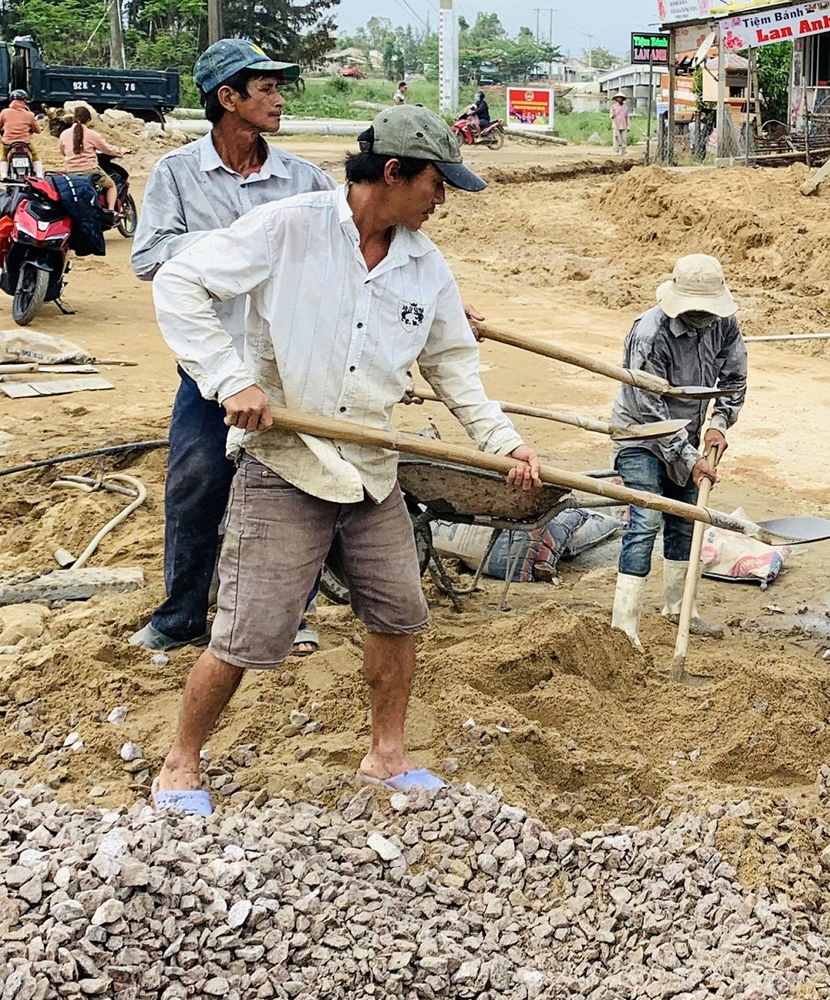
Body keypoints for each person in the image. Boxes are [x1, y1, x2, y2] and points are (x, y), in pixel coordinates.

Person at [148, 105, 539, 815]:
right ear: (393, 173)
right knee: (245, 631)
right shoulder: (288, 228)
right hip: (286, 461)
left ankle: (385, 756)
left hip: (370, 466)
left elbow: (454, 365)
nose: (441, 199)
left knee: (399, 613)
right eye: (435, 183)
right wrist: (229, 377)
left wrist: (504, 442)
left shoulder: (425, 266)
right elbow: (178, 284)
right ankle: (180, 763)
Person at [129, 39, 335, 656]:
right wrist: (241, 246)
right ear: (228, 99)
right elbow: (147, 257)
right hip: (212, 367)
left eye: (278, 87)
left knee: (297, 489)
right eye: (265, 88)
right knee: (195, 481)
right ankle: (183, 614)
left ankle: (286, 616)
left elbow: (350, 248)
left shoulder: (305, 179)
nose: (278, 99)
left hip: (286, 366)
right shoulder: (177, 174)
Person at [606, 254, 747, 647]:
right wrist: (690, 458)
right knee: (647, 521)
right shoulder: (650, 334)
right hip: (640, 435)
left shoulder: (725, 325)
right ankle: (624, 626)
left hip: (687, 434)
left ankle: (678, 609)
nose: (703, 317)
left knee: (686, 520)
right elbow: (649, 408)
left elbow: (734, 379)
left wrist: (718, 425)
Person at [57, 100, 127, 211]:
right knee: (111, 185)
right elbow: (107, 149)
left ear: (74, 118)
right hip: (90, 171)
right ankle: (111, 211)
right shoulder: (92, 134)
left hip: (70, 172)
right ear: (88, 120)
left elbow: (62, 151)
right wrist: (121, 151)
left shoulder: (64, 134)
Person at [0, 90, 38, 171]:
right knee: (35, 156)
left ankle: (4, 175)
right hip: (25, 143)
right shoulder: (29, 114)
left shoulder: (4, 112)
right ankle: (39, 175)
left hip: (8, 143)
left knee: (4, 156)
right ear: (25, 101)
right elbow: (37, 130)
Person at [609, 91, 631, 156]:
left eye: (620, 98)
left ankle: (624, 151)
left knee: (624, 139)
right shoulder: (613, 106)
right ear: (616, 99)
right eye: (618, 98)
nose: (619, 99)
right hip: (616, 125)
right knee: (616, 139)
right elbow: (611, 114)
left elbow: (627, 117)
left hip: (623, 125)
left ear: (622, 99)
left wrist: (628, 126)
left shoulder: (625, 107)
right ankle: (616, 151)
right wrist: (612, 116)